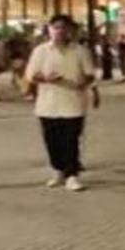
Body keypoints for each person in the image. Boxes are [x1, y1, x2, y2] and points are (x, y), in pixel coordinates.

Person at [24, 15, 96, 192]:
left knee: (71, 141)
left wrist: (84, 82)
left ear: (70, 30)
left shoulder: (80, 51)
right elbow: (31, 74)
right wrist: (46, 78)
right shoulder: (40, 51)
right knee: (52, 141)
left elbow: (90, 73)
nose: (59, 31)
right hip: (47, 104)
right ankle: (58, 170)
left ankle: (72, 175)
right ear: (49, 29)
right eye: (56, 27)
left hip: (73, 103)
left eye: (64, 28)